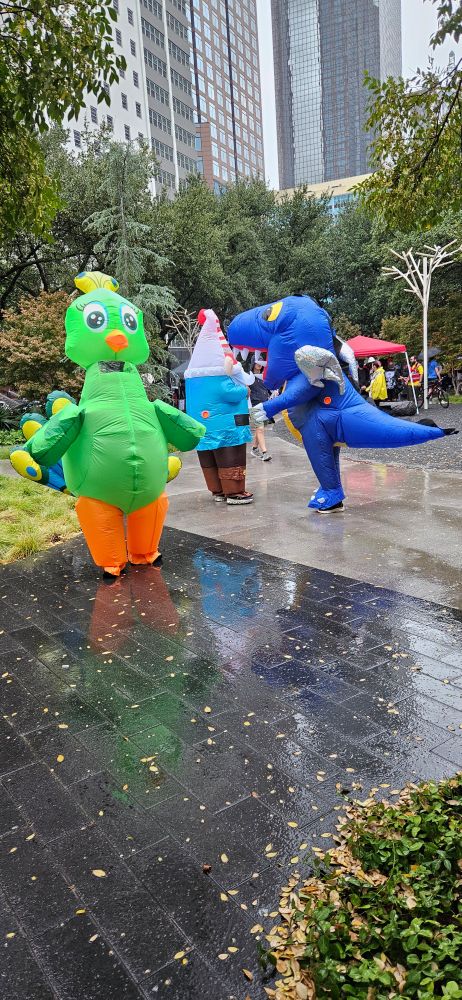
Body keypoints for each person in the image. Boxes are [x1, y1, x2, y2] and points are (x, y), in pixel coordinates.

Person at [184, 308, 254, 505]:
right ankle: (234, 492)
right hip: (227, 427)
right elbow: (232, 393)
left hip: (204, 429)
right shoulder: (220, 379)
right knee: (230, 457)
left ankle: (217, 490)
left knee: (209, 459)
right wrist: (244, 391)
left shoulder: (193, 380)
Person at [250, 361, 272, 461]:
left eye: (261, 362)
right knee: (260, 429)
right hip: (254, 406)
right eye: (257, 362)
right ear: (253, 364)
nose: (259, 364)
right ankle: (264, 453)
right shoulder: (249, 377)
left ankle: (254, 449)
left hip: (265, 405)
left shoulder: (265, 376)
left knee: (260, 429)